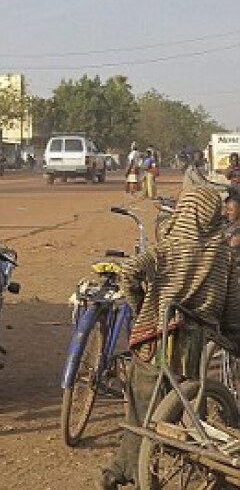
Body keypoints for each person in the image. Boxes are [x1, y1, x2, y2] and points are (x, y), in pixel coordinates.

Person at [100, 187, 240, 488]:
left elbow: (129, 273)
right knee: (191, 413)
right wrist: (232, 337)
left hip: (156, 342)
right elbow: (231, 307)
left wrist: (142, 308)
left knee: (141, 411)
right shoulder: (223, 253)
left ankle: (125, 473)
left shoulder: (166, 248)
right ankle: (144, 469)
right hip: (195, 346)